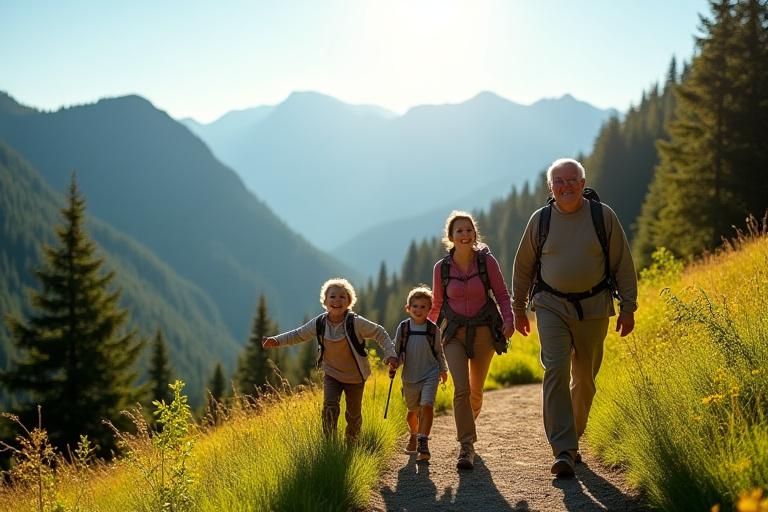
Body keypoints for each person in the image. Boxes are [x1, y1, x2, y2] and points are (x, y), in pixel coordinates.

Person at [512, 158, 638, 478]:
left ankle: (574, 437)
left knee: (584, 380)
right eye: (559, 181)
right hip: (550, 305)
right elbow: (523, 267)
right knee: (555, 368)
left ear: (583, 184)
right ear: (550, 188)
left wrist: (628, 307)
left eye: (571, 180)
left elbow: (622, 263)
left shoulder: (602, 216)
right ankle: (564, 450)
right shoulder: (540, 221)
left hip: (595, 307)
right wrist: (517, 310)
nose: (565, 186)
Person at [428, 211, 515, 470]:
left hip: (484, 332)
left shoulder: (486, 262)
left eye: (469, 230)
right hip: (453, 334)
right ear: (450, 237)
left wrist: (509, 320)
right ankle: (466, 446)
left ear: (474, 234)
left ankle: (468, 427)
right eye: (459, 231)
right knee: (461, 390)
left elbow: (501, 293)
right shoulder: (441, 268)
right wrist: (425, 334)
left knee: (476, 393)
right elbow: (437, 304)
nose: (465, 235)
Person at [263, 278, 398, 443]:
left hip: (355, 376)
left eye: (342, 297)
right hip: (332, 374)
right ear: (325, 301)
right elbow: (298, 335)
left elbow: (380, 332)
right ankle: (330, 444)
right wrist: (275, 341)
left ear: (349, 301)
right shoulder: (320, 322)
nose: (337, 300)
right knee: (329, 408)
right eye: (332, 296)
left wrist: (390, 353)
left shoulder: (355, 322)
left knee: (353, 415)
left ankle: (352, 442)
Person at [393, 286, 448, 461]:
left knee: (427, 406)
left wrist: (443, 370)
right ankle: (414, 434)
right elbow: (397, 352)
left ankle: (423, 443)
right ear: (408, 308)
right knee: (412, 411)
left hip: (430, 373)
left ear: (429, 309)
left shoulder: (433, 330)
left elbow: (439, 352)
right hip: (410, 377)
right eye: (415, 306)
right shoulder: (403, 328)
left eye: (423, 307)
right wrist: (394, 364)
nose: (419, 310)